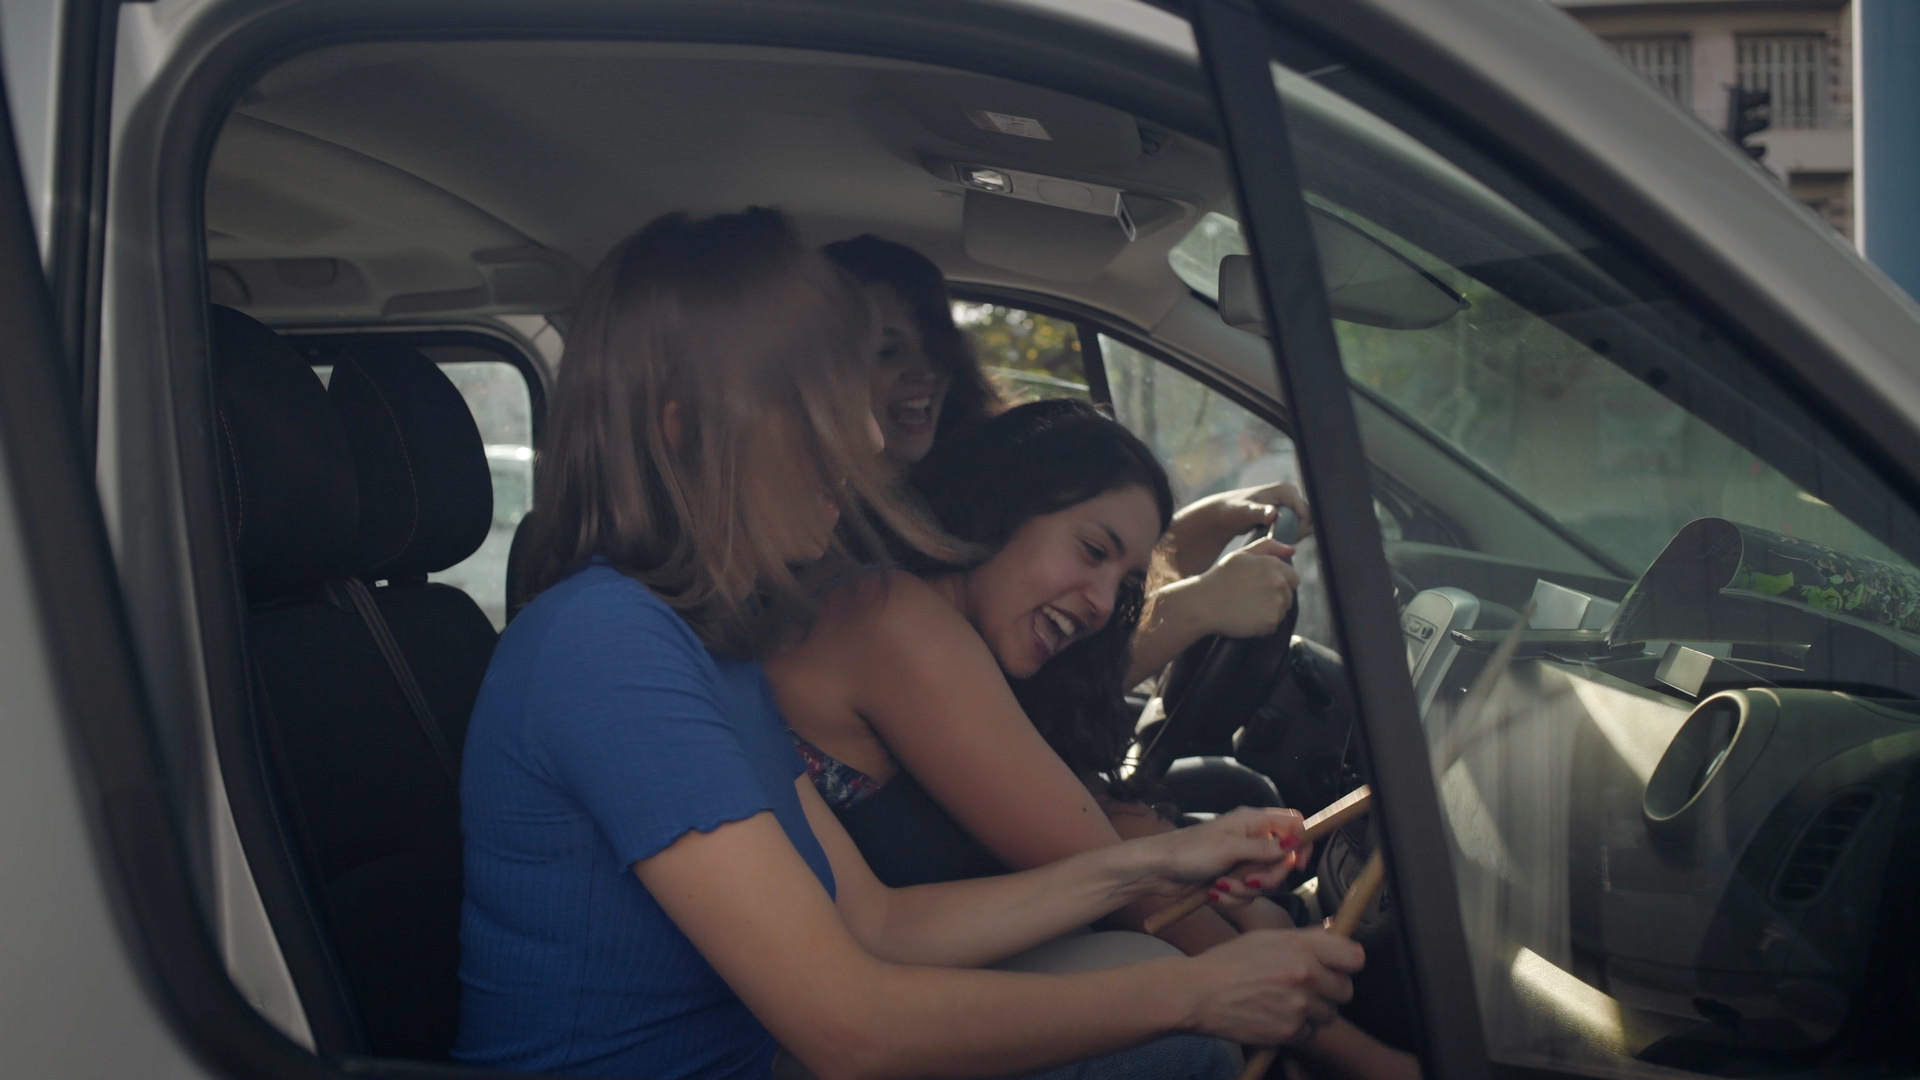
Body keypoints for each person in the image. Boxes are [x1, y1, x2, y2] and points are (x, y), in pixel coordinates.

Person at [456, 207, 1366, 1080]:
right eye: (819, 407)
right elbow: (851, 1031)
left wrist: (1156, 863)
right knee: (1174, 1042)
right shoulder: (607, 648)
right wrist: (1200, 994)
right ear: (686, 429)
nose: (863, 436)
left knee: (1139, 983)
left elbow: (877, 922)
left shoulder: (711, 647)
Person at [767, 399, 1419, 1080]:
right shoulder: (900, 628)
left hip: (864, 979)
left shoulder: (943, 633)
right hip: (805, 1030)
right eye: (1092, 551)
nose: (1104, 605)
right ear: (1003, 505)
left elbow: (1090, 827)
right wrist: (1376, 1064)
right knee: (1178, 1037)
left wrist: (1248, 911)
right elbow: (1129, 891)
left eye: (1125, 583)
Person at [821, 235, 1305, 690]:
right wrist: (1196, 608)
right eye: (887, 351)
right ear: (820, 369)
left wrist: (1200, 528)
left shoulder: (947, 494)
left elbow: (1057, 592)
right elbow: (1020, 701)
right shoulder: (832, 550)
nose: (926, 370)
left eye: (936, 348)